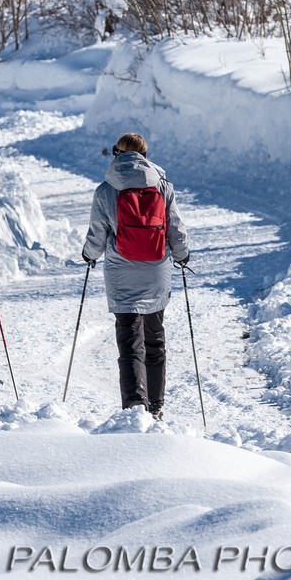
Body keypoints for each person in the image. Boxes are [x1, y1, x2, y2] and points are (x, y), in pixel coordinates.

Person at [81, 131, 190, 418]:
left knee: (130, 343)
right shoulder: (163, 186)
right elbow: (175, 228)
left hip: (122, 271)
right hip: (156, 269)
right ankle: (156, 406)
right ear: (144, 154)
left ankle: (134, 405)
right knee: (154, 339)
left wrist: (89, 255)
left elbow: (97, 233)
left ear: (117, 153)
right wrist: (182, 255)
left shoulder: (106, 190)